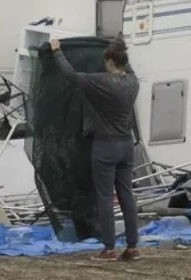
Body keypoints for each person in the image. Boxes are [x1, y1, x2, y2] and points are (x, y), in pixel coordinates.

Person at [50, 37, 141, 262]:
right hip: (126, 145)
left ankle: (109, 249)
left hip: (105, 146)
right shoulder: (133, 82)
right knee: (127, 195)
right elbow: (127, 66)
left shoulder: (101, 82)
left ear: (109, 61)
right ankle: (132, 247)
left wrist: (57, 51)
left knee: (105, 197)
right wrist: (116, 47)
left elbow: (71, 75)